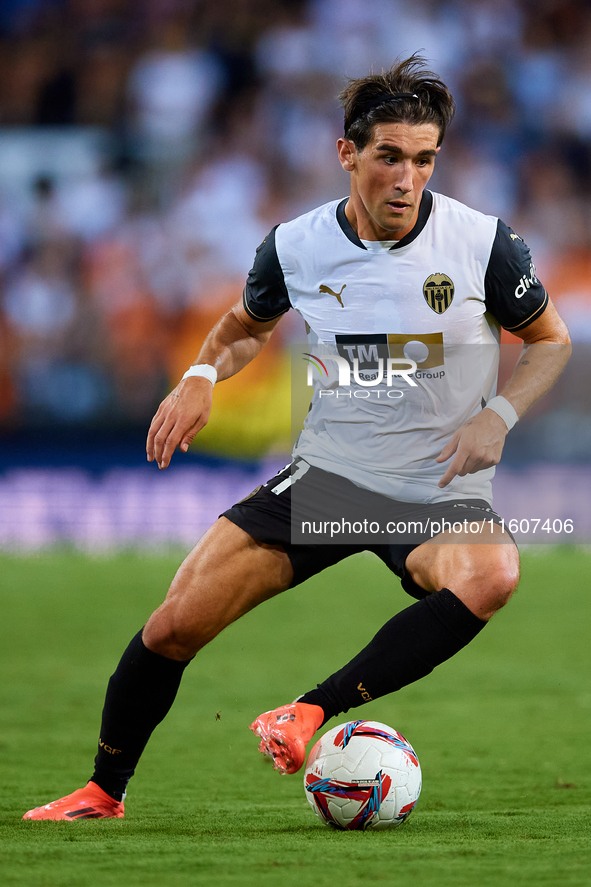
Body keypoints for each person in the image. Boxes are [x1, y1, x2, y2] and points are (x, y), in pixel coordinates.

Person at [23, 55, 570, 821]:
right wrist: (201, 377)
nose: (406, 179)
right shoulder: (296, 245)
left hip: (431, 483)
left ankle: (308, 711)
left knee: (491, 574)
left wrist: (499, 415)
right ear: (347, 154)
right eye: (388, 157)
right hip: (327, 479)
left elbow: (549, 340)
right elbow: (242, 328)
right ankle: (101, 790)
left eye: (422, 159)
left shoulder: (481, 245)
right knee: (174, 622)